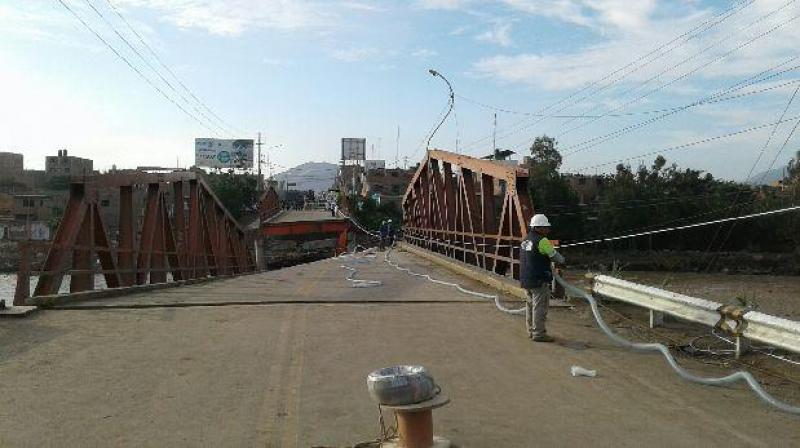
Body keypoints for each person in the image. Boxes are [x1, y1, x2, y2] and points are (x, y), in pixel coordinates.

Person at [519, 214, 565, 342]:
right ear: (539, 227)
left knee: (530, 306)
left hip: (525, 279)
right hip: (539, 280)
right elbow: (557, 258)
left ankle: (531, 331)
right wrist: (563, 259)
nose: (548, 230)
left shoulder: (525, 240)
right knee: (540, 307)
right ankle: (539, 334)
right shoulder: (542, 241)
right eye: (546, 227)